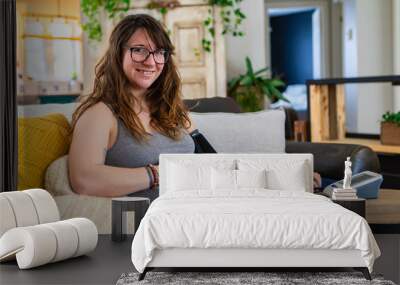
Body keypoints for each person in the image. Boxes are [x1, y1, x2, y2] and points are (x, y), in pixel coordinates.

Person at [68, 14, 195, 200]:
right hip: (157, 220)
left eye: (159, 52)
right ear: (118, 54)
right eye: (139, 50)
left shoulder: (171, 109)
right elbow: (84, 180)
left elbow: (207, 157)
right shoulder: (100, 113)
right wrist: (157, 174)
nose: (151, 62)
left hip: (200, 208)